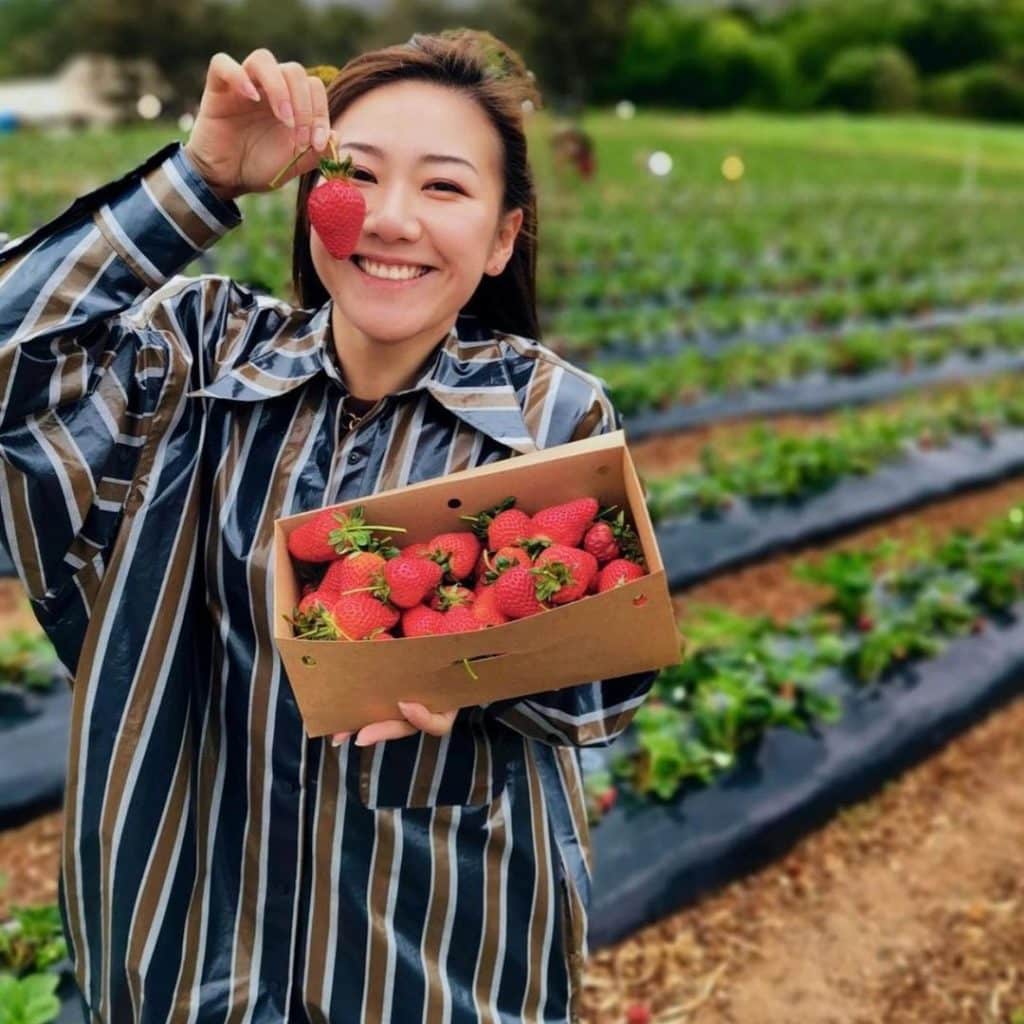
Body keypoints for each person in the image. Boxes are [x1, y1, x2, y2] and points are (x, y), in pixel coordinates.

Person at [0, 29, 657, 1023]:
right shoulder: (194, 362)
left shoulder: (547, 419)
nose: (389, 220)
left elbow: (610, 684)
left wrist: (488, 678)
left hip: (428, 967)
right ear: (310, 195)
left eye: (443, 188)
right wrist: (201, 177)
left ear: (500, 237)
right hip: (178, 957)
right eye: (355, 175)